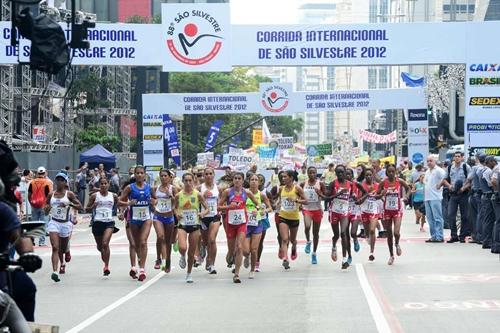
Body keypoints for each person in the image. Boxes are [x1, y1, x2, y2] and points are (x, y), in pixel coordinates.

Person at [219, 172, 258, 282]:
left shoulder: (247, 192)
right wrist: (228, 206)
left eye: (239, 178)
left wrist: (257, 209)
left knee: (240, 247)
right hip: (230, 224)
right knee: (232, 251)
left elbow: (258, 204)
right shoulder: (227, 192)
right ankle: (230, 256)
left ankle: (236, 274)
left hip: (242, 223)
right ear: (233, 180)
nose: (237, 180)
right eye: (235, 178)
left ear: (242, 180)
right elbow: (218, 207)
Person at [119, 166, 154, 282]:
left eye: (141, 173)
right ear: (134, 174)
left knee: (143, 241)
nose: (139, 175)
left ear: (145, 175)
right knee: (135, 243)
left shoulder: (149, 187)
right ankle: (136, 263)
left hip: (146, 219)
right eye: (137, 173)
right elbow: (119, 201)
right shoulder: (130, 188)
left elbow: (156, 199)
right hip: (133, 219)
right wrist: (128, 203)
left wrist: (153, 202)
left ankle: (142, 269)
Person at [45, 172, 82, 282]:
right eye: (58, 180)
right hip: (54, 223)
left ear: (65, 182)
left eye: (61, 180)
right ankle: (55, 271)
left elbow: (80, 206)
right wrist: (47, 208)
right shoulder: (51, 194)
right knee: (55, 247)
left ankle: (67, 250)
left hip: (65, 224)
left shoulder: (69, 194)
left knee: (63, 247)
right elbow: (46, 208)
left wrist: (69, 204)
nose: (59, 182)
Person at [174, 172, 209, 283]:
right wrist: (177, 214)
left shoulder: (197, 194)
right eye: (186, 181)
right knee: (183, 247)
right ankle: (182, 255)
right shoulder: (178, 195)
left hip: (194, 224)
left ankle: (189, 273)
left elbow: (207, 208)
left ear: (193, 181)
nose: (188, 183)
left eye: (190, 181)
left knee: (192, 251)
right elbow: (174, 208)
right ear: (183, 182)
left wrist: (202, 214)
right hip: (182, 224)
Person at [376, 164, 410, 265]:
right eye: (389, 172)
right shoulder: (383, 182)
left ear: (395, 172)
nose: (391, 173)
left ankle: (397, 243)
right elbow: (377, 195)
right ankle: (391, 255)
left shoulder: (399, 181)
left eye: (393, 171)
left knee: (396, 232)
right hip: (387, 210)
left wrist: (406, 197)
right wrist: (382, 194)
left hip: (397, 209)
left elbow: (408, 188)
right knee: (389, 234)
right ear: (386, 172)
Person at [86, 177, 118, 276]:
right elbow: (86, 209)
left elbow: (118, 205)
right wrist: (93, 207)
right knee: (100, 247)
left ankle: (106, 266)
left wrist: (121, 212)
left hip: (109, 222)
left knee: (105, 244)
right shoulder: (94, 196)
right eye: (102, 184)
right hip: (97, 223)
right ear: (99, 185)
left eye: (105, 183)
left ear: (108, 184)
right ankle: (103, 255)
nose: (103, 185)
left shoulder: (114, 196)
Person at [243, 174, 271, 278]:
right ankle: (247, 257)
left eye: (256, 180)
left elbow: (269, 208)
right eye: (252, 180)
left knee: (254, 249)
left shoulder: (262, 195)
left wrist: (263, 211)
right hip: (245, 224)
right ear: (249, 181)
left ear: (259, 183)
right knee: (246, 250)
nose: (254, 181)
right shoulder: (244, 193)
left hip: (257, 224)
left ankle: (252, 270)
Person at [441, 151, 471, 243]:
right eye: (455, 156)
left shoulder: (466, 167)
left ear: (462, 157)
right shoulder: (450, 167)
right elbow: (444, 180)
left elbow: (470, 180)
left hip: (463, 194)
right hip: (453, 194)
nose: (457, 158)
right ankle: (454, 235)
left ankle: (462, 236)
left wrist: (463, 188)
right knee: (451, 215)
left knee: (464, 216)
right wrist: (449, 186)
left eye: (459, 156)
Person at [151, 169, 176, 273]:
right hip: (158, 216)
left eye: (165, 176)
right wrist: (154, 203)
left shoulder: (173, 188)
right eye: (162, 176)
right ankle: (158, 258)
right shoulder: (155, 188)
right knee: (160, 236)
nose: (163, 178)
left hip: (169, 216)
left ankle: (168, 261)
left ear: (170, 177)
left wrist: (171, 196)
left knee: (168, 241)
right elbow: (152, 201)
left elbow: (178, 201)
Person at [300, 166, 327, 264]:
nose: (312, 174)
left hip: (317, 210)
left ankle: (314, 253)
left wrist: (319, 193)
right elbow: (298, 194)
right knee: (307, 227)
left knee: (316, 233)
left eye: (314, 173)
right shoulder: (303, 183)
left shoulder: (320, 184)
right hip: (307, 209)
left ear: (316, 173)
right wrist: (300, 202)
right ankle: (308, 242)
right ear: (307, 173)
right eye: (310, 173)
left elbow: (325, 196)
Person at [199, 167, 221, 274]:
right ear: (204, 176)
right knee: (206, 241)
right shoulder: (199, 188)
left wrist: (221, 210)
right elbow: (192, 199)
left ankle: (212, 264)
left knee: (212, 240)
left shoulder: (218, 188)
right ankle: (203, 247)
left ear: (213, 175)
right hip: (203, 217)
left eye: (210, 174)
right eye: (206, 174)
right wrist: (202, 196)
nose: (208, 176)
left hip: (214, 216)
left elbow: (221, 202)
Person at [462, 153, 486, 243]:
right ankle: (482, 236)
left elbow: (469, 178)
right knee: (482, 216)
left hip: (475, 194)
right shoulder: (485, 168)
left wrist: (463, 188)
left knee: (476, 216)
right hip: (482, 193)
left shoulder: (475, 168)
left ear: (477, 159)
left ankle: (477, 236)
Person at [424, 156, 447, 243]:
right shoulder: (427, 171)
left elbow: (445, 179)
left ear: (435, 161)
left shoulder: (439, 170)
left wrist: (440, 186)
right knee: (430, 218)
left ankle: (439, 236)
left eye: (431, 161)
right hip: (427, 198)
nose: (429, 162)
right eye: (428, 161)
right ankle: (433, 236)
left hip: (436, 197)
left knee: (437, 218)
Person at [28, 167, 52, 246]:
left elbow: (29, 194)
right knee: (43, 224)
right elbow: (50, 195)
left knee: (34, 224)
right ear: (45, 173)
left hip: (34, 205)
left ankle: (32, 241)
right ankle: (41, 242)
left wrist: (31, 203)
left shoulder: (32, 182)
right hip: (44, 205)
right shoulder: (48, 182)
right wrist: (49, 205)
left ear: (38, 173)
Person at [359, 168, 380, 261]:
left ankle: (372, 252)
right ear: (364, 176)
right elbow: (360, 200)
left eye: (370, 175)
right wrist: (367, 193)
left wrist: (381, 195)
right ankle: (367, 236)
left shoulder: (377, 185)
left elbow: (379, 196)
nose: (368, 176)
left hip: (374, 211)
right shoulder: (362, 186)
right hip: (364, 211)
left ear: (372, 176)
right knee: (367, 233)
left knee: (372, 230)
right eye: (366, 175)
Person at [479, 156, 497, 249]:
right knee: (490, 219)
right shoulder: (489, 171)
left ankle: (487, 240)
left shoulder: (482, 170)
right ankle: (488, 241)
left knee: (486, 219)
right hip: (488, 196)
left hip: (485, 196)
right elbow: (491, 183)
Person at [256, 173, 272, 272]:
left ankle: (257, 261)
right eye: (257, 180)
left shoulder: (266, 192)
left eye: (261, 180)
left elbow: (271, 204)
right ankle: (249, 255)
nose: (259, 182)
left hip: (263, 218)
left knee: (260, 241)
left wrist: (266, 209)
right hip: (251, 219)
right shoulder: (249, 192)